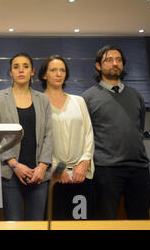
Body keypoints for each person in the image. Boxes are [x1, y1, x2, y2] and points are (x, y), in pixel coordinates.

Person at [82, 45, 150, 219]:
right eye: (109, 60)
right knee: (105, 221)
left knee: (141, 221)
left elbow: (138, 128)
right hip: (106, 169)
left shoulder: (136, 95)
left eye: (119, 60)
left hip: (139, 168)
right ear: (98, 66)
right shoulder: (88, 98)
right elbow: (85, 136)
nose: (115, 63)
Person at [0, 53, 52, 221]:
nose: (21, 70)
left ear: (32, 71)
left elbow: (48, 134)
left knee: (36, 224)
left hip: (39, 174)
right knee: (13, 223)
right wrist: (14, 164)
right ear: (10, 72)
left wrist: (42, 167)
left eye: (25, 66)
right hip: (10, 173)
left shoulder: (43, 99)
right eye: (16, 67)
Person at [38, 55, 94, 220]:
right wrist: (58, 168)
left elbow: (88, 134)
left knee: (81, 221)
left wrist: (84, 163)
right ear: (44, 75)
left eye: (62, 70)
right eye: (53, 70)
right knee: (57, 221)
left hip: (81, 174)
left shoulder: (79, 101)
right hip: (54, 176)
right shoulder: (39, 103)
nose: (59, 74)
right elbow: (39, 141)